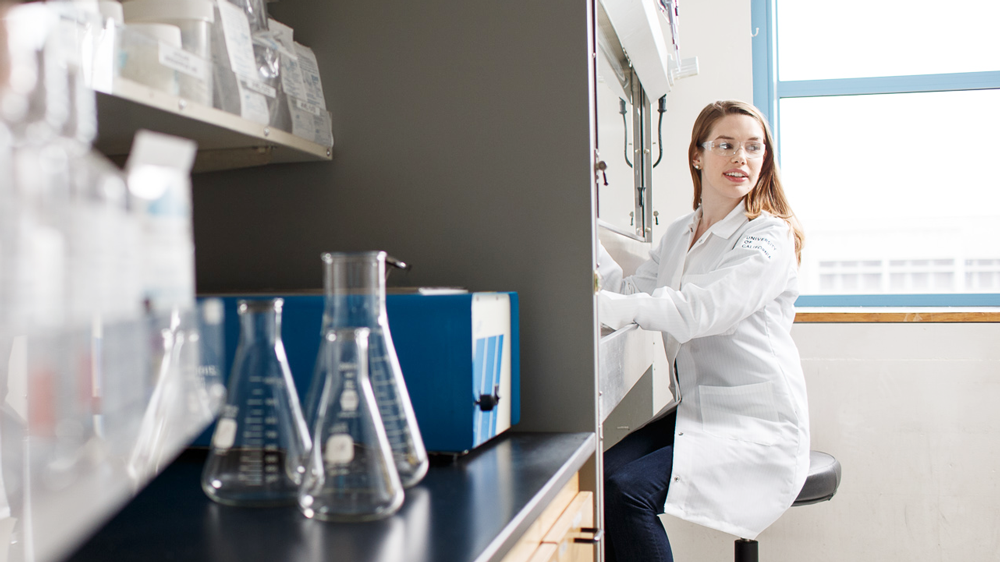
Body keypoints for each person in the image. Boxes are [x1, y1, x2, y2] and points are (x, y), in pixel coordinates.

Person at [597, 100, 810, 562]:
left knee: (627, 493)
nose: (741, 159)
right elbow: (633, 291)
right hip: (698, 410)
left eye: (754, 148)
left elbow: (702, 311)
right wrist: (583, 238)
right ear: (698, 155)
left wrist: (608, 304)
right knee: (599, 482)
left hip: (755, 422)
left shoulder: (767, 236)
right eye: (726, 145)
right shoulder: (680, 233)